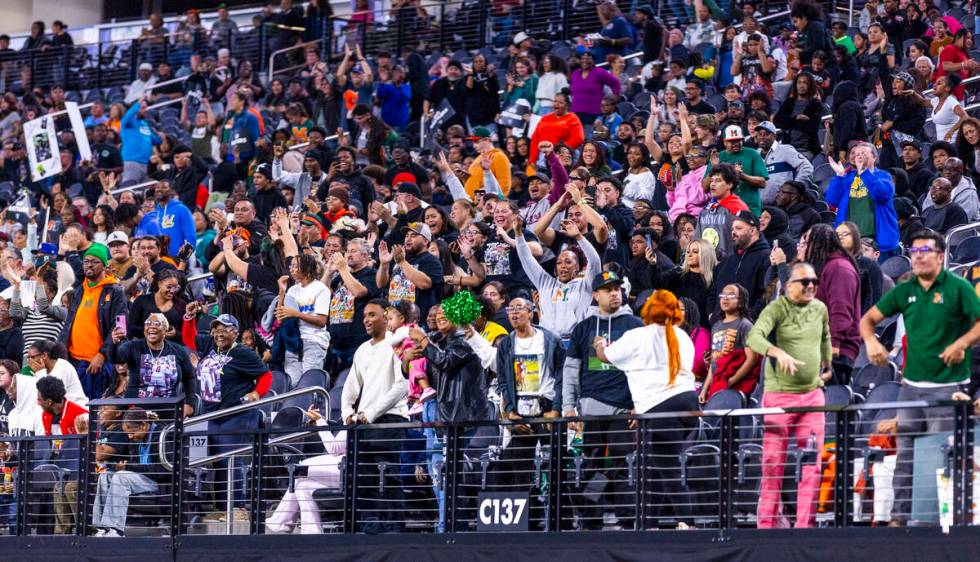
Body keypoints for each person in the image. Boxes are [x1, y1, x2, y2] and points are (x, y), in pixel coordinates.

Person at [860, 230, 980, 527]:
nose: (918, 255)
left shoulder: (958, 287)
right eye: (914, 250)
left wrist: (960, 344)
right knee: (906, 455)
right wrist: (873, 343)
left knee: (944, 453)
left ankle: (946, 518)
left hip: (947, 386)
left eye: (925, 250)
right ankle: (899, 519)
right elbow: (867, 320)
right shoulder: (905, 290)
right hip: (911, 386)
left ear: (941, 256)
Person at [593, 289, 699, 529]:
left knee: (667, 467)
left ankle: (688, 522)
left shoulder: (637, 335)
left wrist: (600, 343)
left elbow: (606, 356)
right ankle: (646, 523)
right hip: (688, 404)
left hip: (660, 409)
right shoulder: (682, 336)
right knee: (655, 468)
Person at [747, 262, 833, 528]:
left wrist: (827, 367)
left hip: (812, 397)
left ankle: (804, 526)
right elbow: (754, 337)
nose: (810, 286)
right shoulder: (775, 308)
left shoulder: (820, 308)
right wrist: (776, 352)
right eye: (803, 282)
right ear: (788, 286)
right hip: (778, 398)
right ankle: (767, 526)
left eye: (813, 282)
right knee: (773, 463)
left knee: (811, 463)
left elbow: (825, 338)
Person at [562, 270, 643, 528]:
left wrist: (639, 404)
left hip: (623, 411)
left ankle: (628, 520)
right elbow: (571, 370)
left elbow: (644, 368)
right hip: (590, 410)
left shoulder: (635, 325)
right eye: (607, 289)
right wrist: (568, 408)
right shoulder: (584, 328)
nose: (614, 293)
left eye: (617, 288)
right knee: (592, 466)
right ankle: (592, 522)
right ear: (595, 295)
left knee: (622, 465)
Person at [182, 311, 271, 520]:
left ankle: (238, 509)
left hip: (236, 413)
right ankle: (222, 507)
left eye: (224, 330)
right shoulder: (210, 345)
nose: (219, 334)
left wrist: (257, 393)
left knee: (231, 460)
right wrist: (188, 319)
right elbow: (189, 338)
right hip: (210, 413)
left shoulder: (242, 353)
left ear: (235, 332)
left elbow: (265, 374)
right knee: (210, 460)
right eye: (216, 330)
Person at [340, 299, 408, 533]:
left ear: (385, 315)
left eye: (372, 315)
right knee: (363, 475)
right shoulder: (362, 349)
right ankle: (369, 523)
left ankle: (394, 525)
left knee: (390, 474)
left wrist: (371, 412)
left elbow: (402, 385)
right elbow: (351, 385)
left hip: (391, 417)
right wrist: (347, 411)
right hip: (364, 421)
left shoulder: (396, 343)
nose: (366, 320)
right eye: (364, 316)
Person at [515, 215, 601, 340]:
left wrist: (579, 237)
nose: (563, 266)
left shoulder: (585, 285)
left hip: (575, 341)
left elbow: (594, 261)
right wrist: (518, 233)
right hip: (547, 341)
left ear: (577, 267)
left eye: (568, 262)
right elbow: (526, 259)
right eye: (559, 262)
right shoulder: (545, 283)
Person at [90, 407, 171, 537]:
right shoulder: (137, 440)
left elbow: (161, 470)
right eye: (128, 433)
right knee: (106, 475)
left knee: (121, 477)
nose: (130, 437)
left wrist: (127, 468)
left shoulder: (162, 435)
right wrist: (121, 467)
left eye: (132, 432)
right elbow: (134, 464)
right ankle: (101, 527)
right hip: (142, 479)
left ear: (144, 425)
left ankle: (115, 529)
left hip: (159, 482)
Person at [266, 406, 346, 534]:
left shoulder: (358, 416)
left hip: (348, 469)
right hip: (343, 467)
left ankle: (281, 522)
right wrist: (322, 421)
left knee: (302, 469)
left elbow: (335, 448)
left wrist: (320, 422)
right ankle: (311, 533)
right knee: (303, 485)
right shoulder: (355, 415)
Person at [62, 243, 127, 400]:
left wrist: (102, 354)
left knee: (93, 410)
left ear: (104, 265)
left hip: (96, 363)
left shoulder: (115, 291)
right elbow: (69, 323)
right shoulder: (79, 290)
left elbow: (120, 326)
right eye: (86, 261)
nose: (89, 265)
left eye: (94, 261)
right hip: (73, 360)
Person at [801, 224, 861, 385]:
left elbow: (841, 312)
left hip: (836, 353)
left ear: (818, 244)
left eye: (806, 243)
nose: (802, 247)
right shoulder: (823, 267)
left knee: (831, 405)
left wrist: (833, 346)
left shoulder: (839, 268)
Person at [107, 312, 195, 417]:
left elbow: (190, 377)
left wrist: (189, 403)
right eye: (148, 323)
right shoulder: (133, 346)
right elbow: (116, 359)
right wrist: (114, 343)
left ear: (165, 330)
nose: (152, 326)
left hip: (168, 412)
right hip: (136, 413)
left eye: (157, 324)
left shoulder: (178, 350)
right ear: (144, 330)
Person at [825, 143, 900, 262]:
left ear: (874, 158)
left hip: (877, 241)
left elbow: (883, 195)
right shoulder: (847, 177)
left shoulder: (883, 176)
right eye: (856, 154)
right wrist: (839, 176)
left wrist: (864, 172)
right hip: (849, 241)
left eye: (863, 153)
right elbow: (832, 201)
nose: (858, 156)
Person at [36, 375, 89, 535]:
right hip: (60, 468)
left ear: (49, 401)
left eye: (40, 399)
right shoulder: (46, 415)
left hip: (79, 467)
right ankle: (60, 535)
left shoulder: (80, 414)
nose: (38, 402)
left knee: (69, 488)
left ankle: (83, 530)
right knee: (57, 488)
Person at [275, 254, 330, 387]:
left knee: (309, 384)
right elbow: (279, 319)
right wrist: (282, 292)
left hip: (313, 340)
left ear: (307, 268)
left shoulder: (321, 289)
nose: (291, 269)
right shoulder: (292, 290)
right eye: (291, 266)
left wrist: (296, 313)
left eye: (295, 266)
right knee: (292, 384)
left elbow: (322, 321)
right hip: (293, 342)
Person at [376, 222, 444, 329]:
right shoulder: (400, 258)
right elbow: (380, 284)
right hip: (394, 322)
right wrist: (384, 264)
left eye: (414, 236)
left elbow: (425, 284)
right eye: (407, 236)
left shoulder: (431, 261)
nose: (408, 239)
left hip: (418, 324)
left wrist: (402, 263)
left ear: (426, 241)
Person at [700, 283, 758, 402]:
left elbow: (752, 359)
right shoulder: (716, 326)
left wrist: (731, 381)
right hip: (717, 384)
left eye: (731, 296)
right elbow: (714, 362)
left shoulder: (745, 325)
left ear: (741, 301)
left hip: (736, 387)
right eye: (722, 295)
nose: (725, 298)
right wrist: (705, 389)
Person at [708, 210, 771, 319]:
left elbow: (766, 294)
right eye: (732, 229)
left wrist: (749, 320)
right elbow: (713, 292)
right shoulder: (727, 261)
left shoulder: (767, 258)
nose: (733, 232)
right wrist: (711, 315)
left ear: (752, 230)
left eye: (738, 228)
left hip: (748, 328)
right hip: (720, 327)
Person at [702, 125, 769, 216]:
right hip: (722, 210)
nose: (736, 143)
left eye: (739, 140)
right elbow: (705, 188)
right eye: (732, 141)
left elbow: (762, 183)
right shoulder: (718, 157)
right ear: (725, 142)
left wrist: (742, 176)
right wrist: (714, 168)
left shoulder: (752, 154)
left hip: (749, 209)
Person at [754, 121, 814, 205]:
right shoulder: (755, 154)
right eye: (760, 134)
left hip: (784, 206)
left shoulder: (785, 150)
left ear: (774, 136)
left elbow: (806, 166)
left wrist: (797, 187)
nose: (762, 137)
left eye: (766, 134)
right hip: (760, 207)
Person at [27, 340, 87, 406]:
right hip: (56, 411)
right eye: (28, 358)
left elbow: (52, 396)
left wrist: (40, 373)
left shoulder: (63, 366)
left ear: (44, 355)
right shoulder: (38, 371)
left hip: (76, 409)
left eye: (32, 357)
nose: (29, 361)